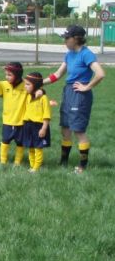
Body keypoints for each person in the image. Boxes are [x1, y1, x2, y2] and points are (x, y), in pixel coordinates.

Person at [43, 25, 105, 173]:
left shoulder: (86, 54)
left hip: (80, 94)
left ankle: (83, 166)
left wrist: (87, 87)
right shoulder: (69, 54)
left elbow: (100, 74)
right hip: (68, 92)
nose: (65, 41)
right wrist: (38, 82)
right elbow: (57, 75)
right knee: (65, 129)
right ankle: (63, 162)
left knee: (78, 130)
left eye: (67, 38)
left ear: (76, 39)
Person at [0, 62, 27, 166]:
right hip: (7, 121)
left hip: (21, 121)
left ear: (18, 75)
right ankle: (2, 162)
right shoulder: (3, 84)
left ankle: (17, 162)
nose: (7, 77)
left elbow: (37, 88)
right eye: (6, 74)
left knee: (20, 143)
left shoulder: (26, 85)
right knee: (5, 141)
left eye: (10, 75)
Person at [22, 72, 51, 172]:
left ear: (36, 85)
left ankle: (36, 167)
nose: (25, 86)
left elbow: (46, 115)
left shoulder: (43, 98)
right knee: (30, 146)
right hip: (27, 124)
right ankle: (32, 166)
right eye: (25, 84)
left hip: (38, 126)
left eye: (28, 84)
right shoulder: (28, 96)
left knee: (38, 147)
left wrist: (44, 128)